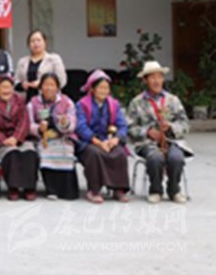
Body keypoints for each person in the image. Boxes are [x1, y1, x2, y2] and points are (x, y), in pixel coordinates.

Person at [127, 61, 192, 204]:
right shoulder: (136, 102)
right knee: (155, 157)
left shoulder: (173, 100)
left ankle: (174, 190)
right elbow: (129, 127)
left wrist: (171, 127)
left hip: (172, 141)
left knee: (176, 158)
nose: (156, 81)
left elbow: (185, 124)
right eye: (152, 77)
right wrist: (147, 131)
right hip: (147, 143)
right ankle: (155, 190)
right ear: (145, 80)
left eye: (159, 77)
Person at [75, 70, 130, 204]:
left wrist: (116, 139)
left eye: (106, 88)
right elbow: (81, 127)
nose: (104, 91)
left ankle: (118, 189)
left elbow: (122, 125)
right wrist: (98, 143)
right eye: (100, 87)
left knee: (120, 153)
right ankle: (94, 190)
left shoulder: (114, 104)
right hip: (89, 141)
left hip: (108, 139)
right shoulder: (82, 104)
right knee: (94, 154)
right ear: (92, 89)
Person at [0, 74, 38, 201]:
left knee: (29, 152)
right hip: (1, 139)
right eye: (3, 87)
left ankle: (29, 188)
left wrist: (16, 138)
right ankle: (13, 188)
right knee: (12, 153)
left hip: (20, 137)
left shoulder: (20, 100)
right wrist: (3, 140)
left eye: (9, 87)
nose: (7, 90)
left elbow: (24, 121)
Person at [26, 73, 78, 200]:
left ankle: (67, 189)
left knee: (66, 150)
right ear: (40, 87)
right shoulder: (33, 103)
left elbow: (72, 122)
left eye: (52, 85)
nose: (49, 88)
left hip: (63, 137)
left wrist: (64, 123)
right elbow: (28, 124)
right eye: (46, 85)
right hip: (43, 138)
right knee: (46, 150)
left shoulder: (67, 102)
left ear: (58, 87)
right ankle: (51, 189)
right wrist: (38, 128)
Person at [15, 30, 68, 101]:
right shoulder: (22, 61)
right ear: (28, 45)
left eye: (38, 40)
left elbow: (62, 81)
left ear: (45, 42)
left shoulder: (54, 59)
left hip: (49, 99)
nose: (36, 43)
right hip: (27, 99)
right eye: (32, 41)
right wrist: (22, 85)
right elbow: (15, 81)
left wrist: (42, 83)